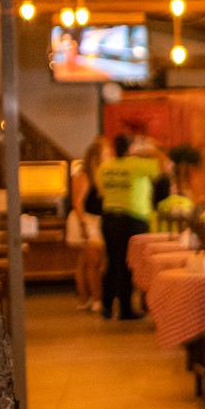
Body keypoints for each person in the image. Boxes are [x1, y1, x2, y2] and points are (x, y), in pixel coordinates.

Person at [98, 134, 166, 320]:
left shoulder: (105, 166)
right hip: (133, 218)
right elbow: (165, 167)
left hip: (109, 217)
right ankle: (125, 309)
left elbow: (101, 191)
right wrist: (154, 148)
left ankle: (106, 305)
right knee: (128, 264)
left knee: (113, 262)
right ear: (130, 148)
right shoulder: (137, 165)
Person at [65, 136, 111, 312]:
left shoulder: (100, 174)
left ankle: (86, 297)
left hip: (92, 219)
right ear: (97, 156)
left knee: (86, 261)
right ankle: (95, 298)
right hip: (86, 219)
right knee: (93, 261)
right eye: (106, 152)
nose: (109, 155)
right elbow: (78, 201)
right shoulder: (84, 175)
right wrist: (83, 224)